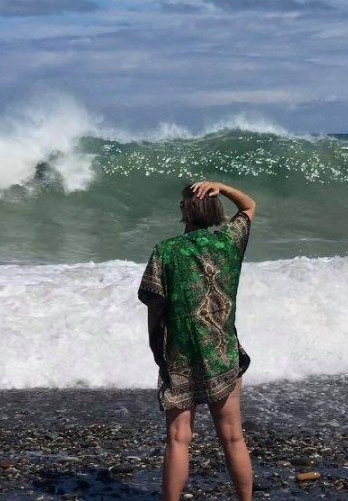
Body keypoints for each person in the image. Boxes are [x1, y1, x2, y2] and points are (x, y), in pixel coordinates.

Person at [138, 180, 256, 501]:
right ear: (215, 208)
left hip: (181, 355)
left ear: (185, 210)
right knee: (232, 437)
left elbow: (154, 304)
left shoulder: (166, 251)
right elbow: (248, 206)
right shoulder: (229, 242)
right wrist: (222, 187)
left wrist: (157, 348)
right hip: (222, 351)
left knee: (178, 438)